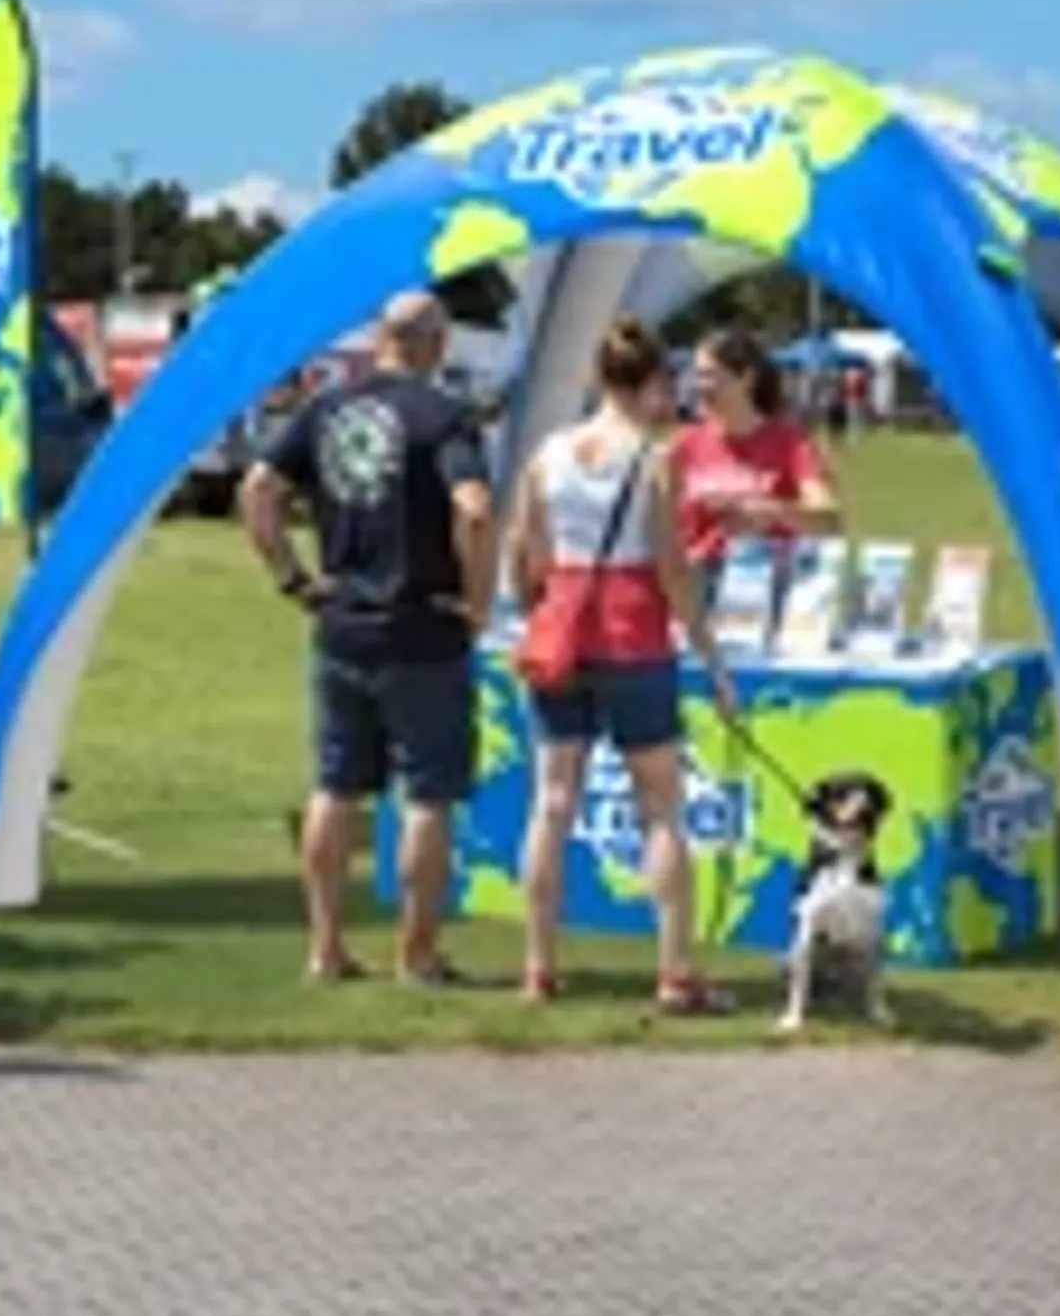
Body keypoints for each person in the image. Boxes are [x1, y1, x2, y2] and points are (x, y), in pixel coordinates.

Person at [241, 290, 497, 988]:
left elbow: (258, 487)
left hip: (341, 623)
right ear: (437, 344)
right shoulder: (444, 417)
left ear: (381, 339)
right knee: (426, 794)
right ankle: (416, 954)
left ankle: (325, 947)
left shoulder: (325, 410)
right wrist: (479, 600)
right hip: (422, 625)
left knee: (334, 785)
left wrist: (293, 578)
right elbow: (473, 510)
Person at [506, 320, 738, 1013]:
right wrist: (709, 651)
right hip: (633, 629)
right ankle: (674, 970)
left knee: (551, 802)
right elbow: (672, 564)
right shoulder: (656, 458)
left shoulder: (548, 453)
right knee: (660, 807)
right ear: (641, 385)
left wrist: (541, 609)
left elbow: (528, 550)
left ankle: (538, 966)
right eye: (664, 383)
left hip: (564, 627)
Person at [670, 328, 843, 606]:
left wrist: (773, 511)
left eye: (709, 374)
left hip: (764, 602)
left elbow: (830, 519)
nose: (697, 385)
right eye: (696, 374)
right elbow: (661, 529)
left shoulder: (791, 443)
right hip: (693, 600)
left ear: (746, 378)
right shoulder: (685, 444)